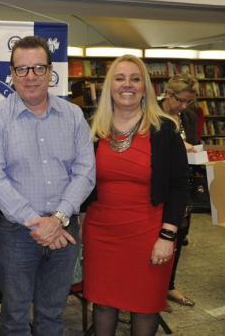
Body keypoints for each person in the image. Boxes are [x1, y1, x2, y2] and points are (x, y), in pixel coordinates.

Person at [0, 35, 95, 336]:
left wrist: (57, 220)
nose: (30, 77)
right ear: (12, 74)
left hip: (64, 229)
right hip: (17, 232)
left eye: (39, 68)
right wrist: (38, 223)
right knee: (15, 316)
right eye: (22, 69)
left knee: (53, 314)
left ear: (51, 71)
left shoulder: (73, 116)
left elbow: (85, 172)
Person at [82, 54, 189, 335]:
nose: (127, 85)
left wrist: (168, 236)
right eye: (119, 78)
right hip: (101, 234)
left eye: (135, 78)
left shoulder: (165, 129)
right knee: (103, 306)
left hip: (150, 235)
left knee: (145, 307)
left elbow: (180, 185)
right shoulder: (94, 131)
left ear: (145, 87)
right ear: (110, 86)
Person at [160, 73, 200, 310]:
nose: (183, 106)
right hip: (159, 186)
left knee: (178, 235)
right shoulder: (151, 112)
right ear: (169, 93)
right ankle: (152, 289)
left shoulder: (189, 117)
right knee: (157, 238)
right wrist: (177, 146)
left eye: (189, 101)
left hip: (183, 184)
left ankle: (169, 285)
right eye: (180, 100)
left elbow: (194, 142)